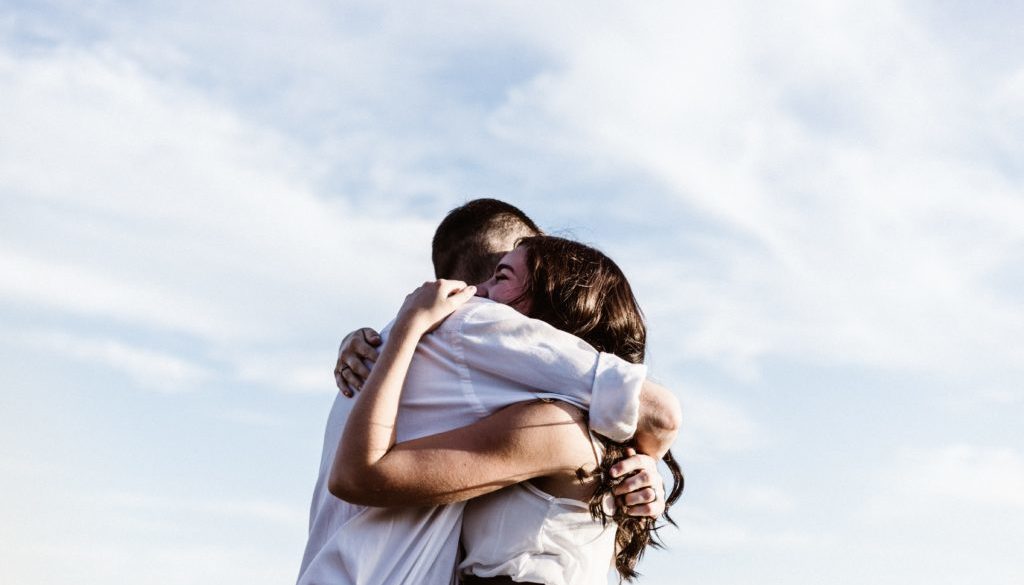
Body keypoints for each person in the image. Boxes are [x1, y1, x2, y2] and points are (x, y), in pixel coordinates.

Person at [296, 200, 680, 585]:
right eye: (501, 270)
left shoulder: (413, 345)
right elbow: (659, 413)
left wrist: (641, 467)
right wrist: (647, 461)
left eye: (503, 277)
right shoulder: (476, 327)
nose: (478, 292)